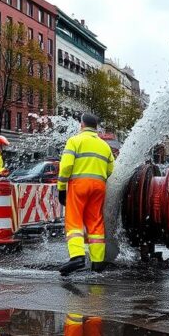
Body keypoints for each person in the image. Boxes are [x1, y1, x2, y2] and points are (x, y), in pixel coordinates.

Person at [57, 113, 115, 276]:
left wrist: (61, 187)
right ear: (96, 127)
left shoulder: (74, 141)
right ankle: (97, 262)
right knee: (95, 222)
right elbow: (111, 169)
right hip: (99, 186)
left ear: (82, 125)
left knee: (74, 220)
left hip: (78, 185)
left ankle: (77, 257)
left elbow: (66, 166)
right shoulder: (105, 146)